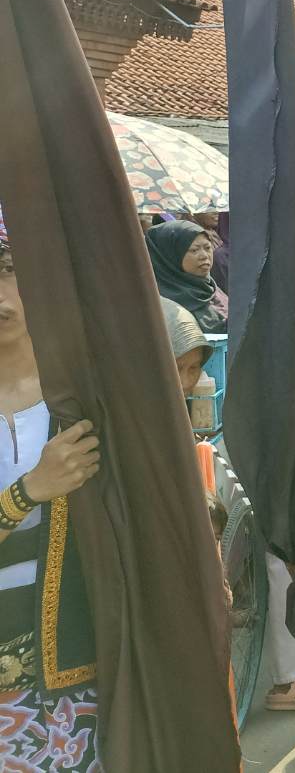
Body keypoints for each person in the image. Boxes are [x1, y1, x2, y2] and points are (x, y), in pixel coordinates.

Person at [0, 207, 104, 771]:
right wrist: (29, 491)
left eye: (11, 268)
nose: (1, 292)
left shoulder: (85, 395)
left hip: (72, 653)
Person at [146, 219, 228, 333]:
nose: (204, 256)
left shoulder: (210, 288)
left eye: (208, 248)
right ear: (171, 256)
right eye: (194, 250)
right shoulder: (161, 305)